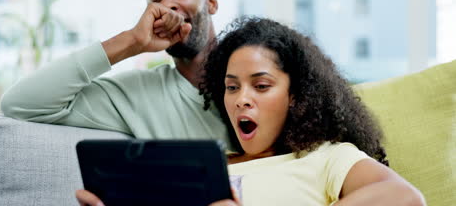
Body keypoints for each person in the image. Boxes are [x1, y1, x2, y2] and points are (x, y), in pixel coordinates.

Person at [76, 17, 426, 206]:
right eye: (231, 87)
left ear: (294, 95)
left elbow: (405, 198)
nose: (241, 99)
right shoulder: (203, 166)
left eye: (261, 86)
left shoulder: (325, 158)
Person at [0, 0, 232, 147]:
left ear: (211, 3)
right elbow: (19, 103)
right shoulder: (137, 95)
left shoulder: (254, 79)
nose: (167, 4)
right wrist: (131, 41)